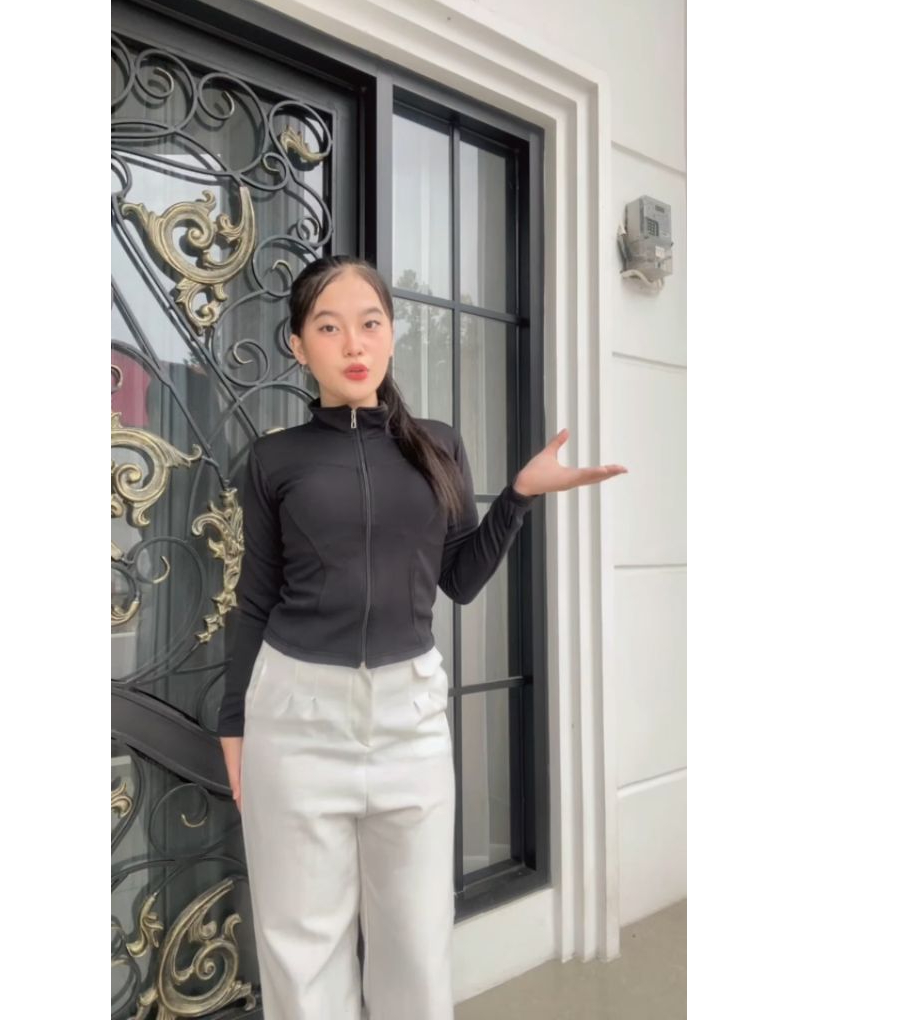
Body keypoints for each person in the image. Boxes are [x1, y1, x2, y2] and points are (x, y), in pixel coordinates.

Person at [216, 255, 627, 1019]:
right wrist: (234, 722)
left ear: (392, 333)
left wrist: (518, 496)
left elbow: (459, 579)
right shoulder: (274, 460)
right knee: (301, 942)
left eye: (370, 323)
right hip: (295, 714)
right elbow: (256, 599)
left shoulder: (435, 445)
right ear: (298, 346)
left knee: (415, 936)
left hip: (409, 717)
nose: (353, 343)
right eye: (328, 327)